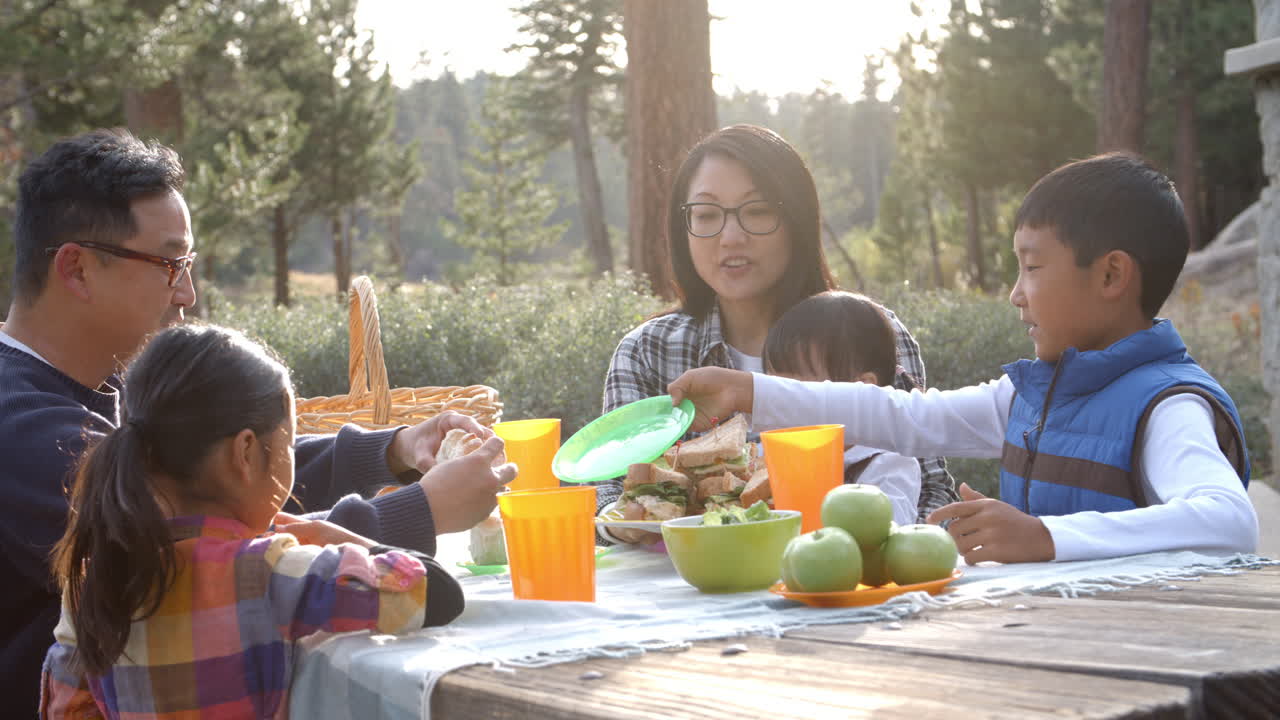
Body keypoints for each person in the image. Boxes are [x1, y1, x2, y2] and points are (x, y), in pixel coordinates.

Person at [1, 128, 512, 715]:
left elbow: (221, 473)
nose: (187, 293)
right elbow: (212, 556)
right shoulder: (23, 430)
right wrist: (418, 511)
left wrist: (392, 450)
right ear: (77, 268)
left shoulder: (110, 383)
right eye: (169, 264)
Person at [667, 153, 1258, 565]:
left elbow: (1229, 520)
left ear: (1110, 274)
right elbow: (907, 417)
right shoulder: (1032, 395)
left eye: (1032, 266)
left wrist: (1043, 538)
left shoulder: (1168, 406)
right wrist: (753, 393)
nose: (1015, 292)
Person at [39, 324, 465, 718]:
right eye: (288, 443)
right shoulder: (269, 572)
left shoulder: (94, 584)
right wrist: (339, 539)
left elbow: (67, 706)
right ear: (245, 453)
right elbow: (437, 593)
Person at [599, 124, 956, 536]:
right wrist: (637, 519)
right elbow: (608, 492)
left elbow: (933, 492)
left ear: (796, 221)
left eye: (758, 211)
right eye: (707, 215)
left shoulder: (870, 331)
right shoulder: (650, 350)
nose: (731, 237)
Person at [762, 290, 921, 526]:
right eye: (772, 386)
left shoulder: (887, 464)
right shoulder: (767, 456)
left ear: (862, 389)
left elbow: (880, 539)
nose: (778, 401)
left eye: (792, 388)